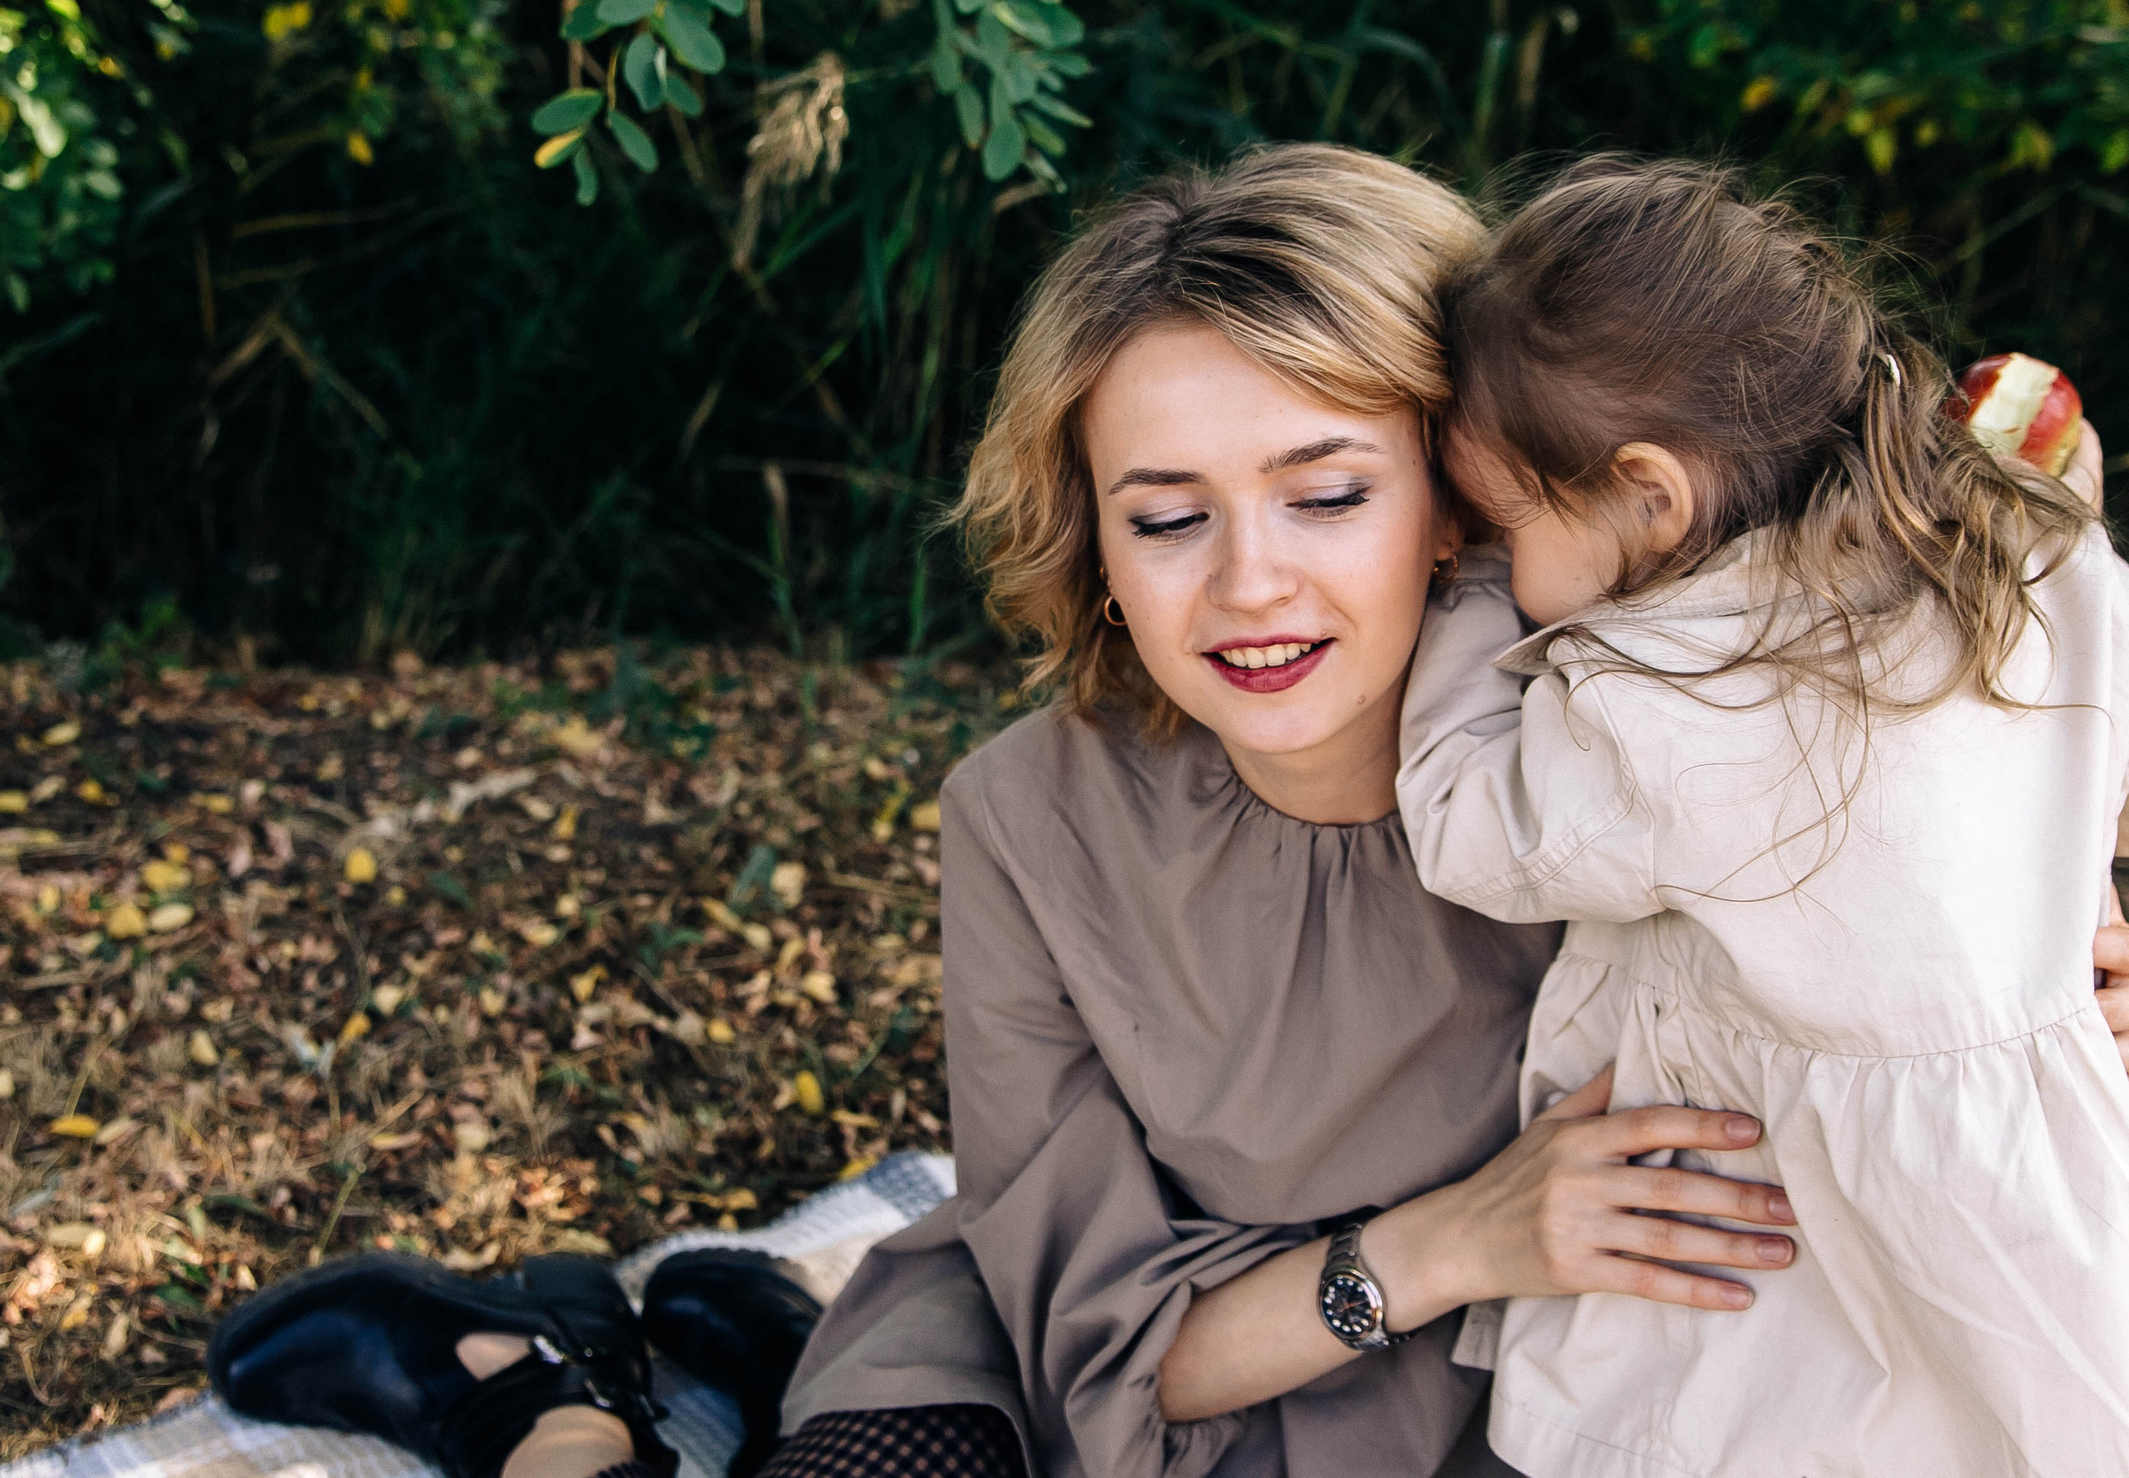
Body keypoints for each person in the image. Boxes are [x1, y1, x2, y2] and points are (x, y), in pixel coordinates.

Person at [202, 145, 2129, 1478]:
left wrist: (2063, 944)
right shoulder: (1031, 822)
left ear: (1471, 487)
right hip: (1102, 1362)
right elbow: (1098, 1346)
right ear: (1093, 537)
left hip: (1503, 1421)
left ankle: (743, 1333)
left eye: (1326, 490)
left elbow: (1951, 893)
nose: (1249, 589)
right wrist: (1454, 1242)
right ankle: (549, 1391)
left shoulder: (1659, 783)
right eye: (1166, 514)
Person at [1396, 158, 2129, 1476]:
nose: (1499, 560)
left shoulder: (1676, 696)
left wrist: (1453, 605)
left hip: (1803, 1253)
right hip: (2061, 1195)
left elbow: (1470, 824)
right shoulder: (2005, 556)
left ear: (1652, 496)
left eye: (1507, 524)